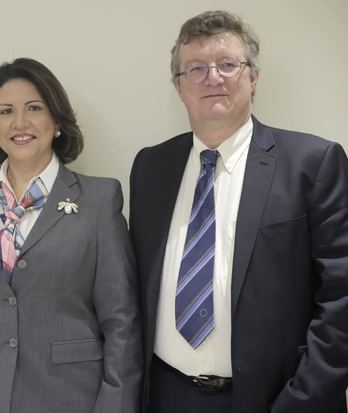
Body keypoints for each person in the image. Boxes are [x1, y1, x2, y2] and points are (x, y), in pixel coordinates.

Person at [129, 10, 348, 413]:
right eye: (195, 68)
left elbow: (341, 300)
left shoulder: (313, 163)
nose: (213, 77)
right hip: (166, 394)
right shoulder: (150, 167)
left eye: (228, 64)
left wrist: (300, 402)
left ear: (253, 77)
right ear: (179, 87)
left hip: (276, 399)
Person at [0, 57, 142, 413]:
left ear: (56, 121)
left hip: (70, 398)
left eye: (34, 108)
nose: (19, 122)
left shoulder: (100, 200)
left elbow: (122, 325)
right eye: (6, 111)